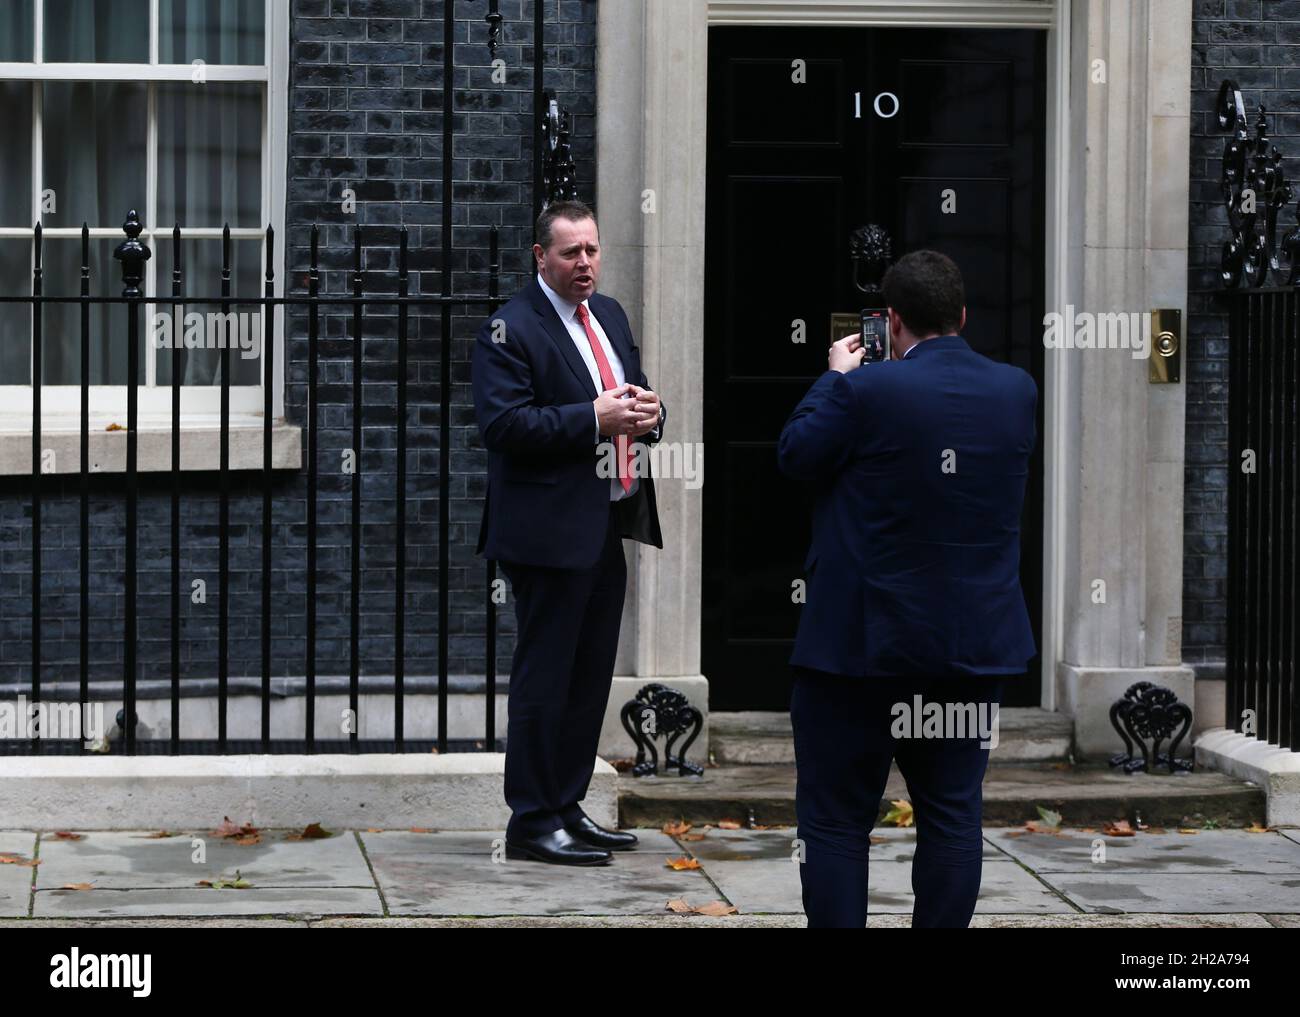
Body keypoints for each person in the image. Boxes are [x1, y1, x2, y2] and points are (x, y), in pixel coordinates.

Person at [777, 249, 1037, 926]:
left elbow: (797, 453)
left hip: (858, 652)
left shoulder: (862, 392)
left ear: (890, 321)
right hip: (970, 646)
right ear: (963, 315)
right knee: (953, 814)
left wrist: (834, 377)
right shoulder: (1017, 391)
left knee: (835, 822)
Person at [471, 199, 666, 866]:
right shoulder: (510, 327)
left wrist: (649, 410)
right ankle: (530, 819)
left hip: (605, 520)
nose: (584, 264)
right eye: (570, 253)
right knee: (545, 676)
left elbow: (629, 394)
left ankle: (566, 805)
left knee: (589, 676)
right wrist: (592, 416)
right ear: (540, 257)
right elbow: (503, 427)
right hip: (545, 531)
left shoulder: (607, 315)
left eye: (591, 250)